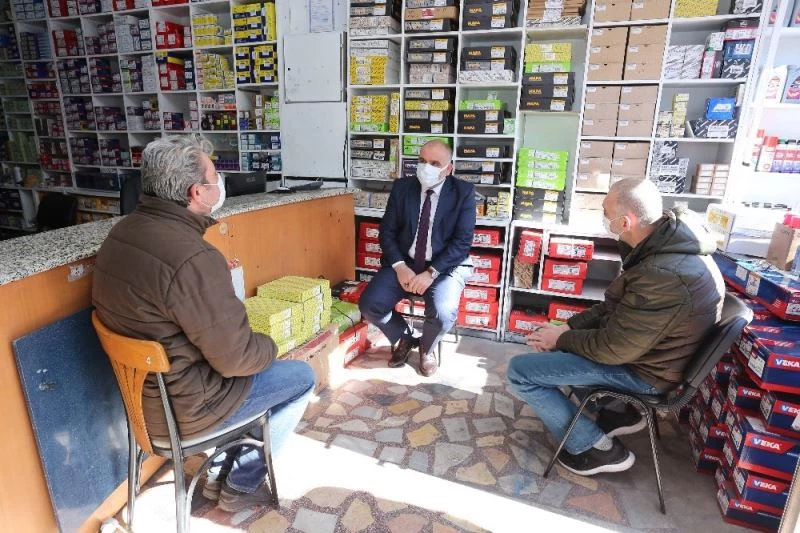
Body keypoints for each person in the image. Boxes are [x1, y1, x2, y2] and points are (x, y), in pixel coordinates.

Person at [92, 135, 315, 512]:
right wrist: (272, 344)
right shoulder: (193, 257)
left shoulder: (121, 233)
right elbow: (237, 360)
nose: (219, 183)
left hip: (144, 405)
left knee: (256, 375)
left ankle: (216, 473)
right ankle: (240, 484)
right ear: (196, 192)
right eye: (214, 177)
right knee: (298, 378)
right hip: (189, 410)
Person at [507, 178, 724, 476]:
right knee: (560, 349)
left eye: (606, 213)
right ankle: (616, 411)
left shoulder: (662, 273)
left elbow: (613, 349)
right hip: (652, 359)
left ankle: (595, 448)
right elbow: (614, 307)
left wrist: (561, 339)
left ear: (625, 222)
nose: (604, 219)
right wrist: (567, 327)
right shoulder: (668, 249)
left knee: (520, 372)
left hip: (646, 374)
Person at [359, 140, 476, 377]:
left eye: (435, 163)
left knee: (443, 314)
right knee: (370, 305)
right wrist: (400, 266)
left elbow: (462, 243)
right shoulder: (402, 187)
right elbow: (387, 232)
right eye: (422, 161)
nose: (426, 167)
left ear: (448, 169)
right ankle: (405, 337)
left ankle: (427, 347)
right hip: (405, 263)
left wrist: (432, 272)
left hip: (445, 267)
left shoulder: (463, 192)